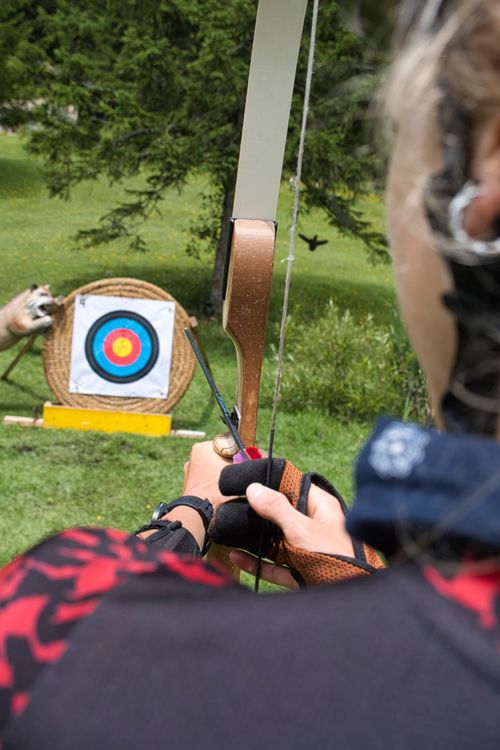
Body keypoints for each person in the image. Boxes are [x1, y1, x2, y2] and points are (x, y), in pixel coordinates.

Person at [2, 1, 500, 747]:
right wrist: (356, 576)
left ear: (481, 208)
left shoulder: (64, 641)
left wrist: (192, 512)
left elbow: (75, 617)